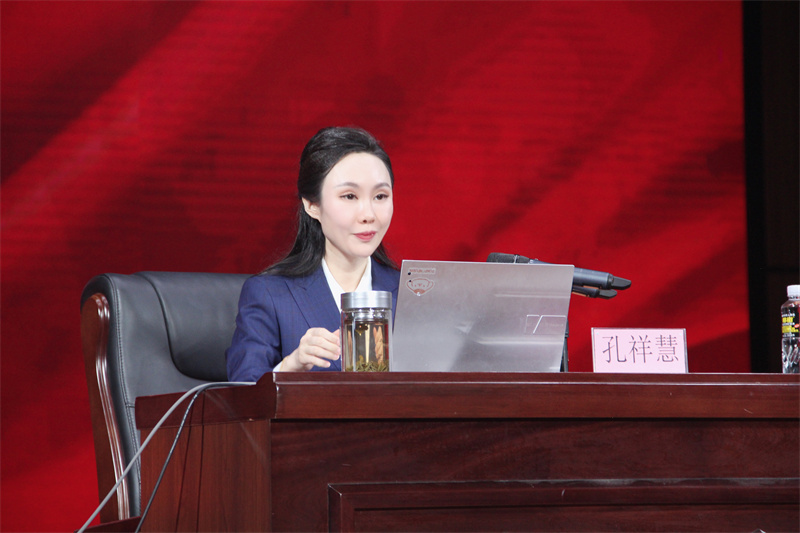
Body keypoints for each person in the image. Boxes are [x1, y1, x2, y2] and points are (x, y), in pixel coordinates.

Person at [226, 126, 400, 382]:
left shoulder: (411, 296)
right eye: (349, 196)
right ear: (312, 205)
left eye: (380, 196)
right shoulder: (271, 295)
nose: (368, 214)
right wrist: (292, 365)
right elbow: (241, 392)